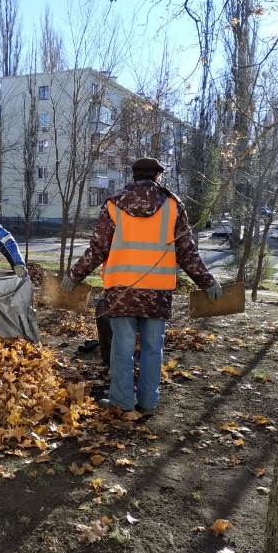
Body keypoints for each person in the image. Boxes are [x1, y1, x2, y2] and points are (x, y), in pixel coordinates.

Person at [62, 157, 222, 415]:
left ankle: (122, 403)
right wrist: (208, 282)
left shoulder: (113, 204)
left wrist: (74, 276)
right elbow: (187, 252)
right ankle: (148, 404)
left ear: (134, 176)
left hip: (121, 291)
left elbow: (97, 249)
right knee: (152, 349)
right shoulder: (173, 205)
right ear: (158, 176)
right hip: (157, 292)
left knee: (121, 349)